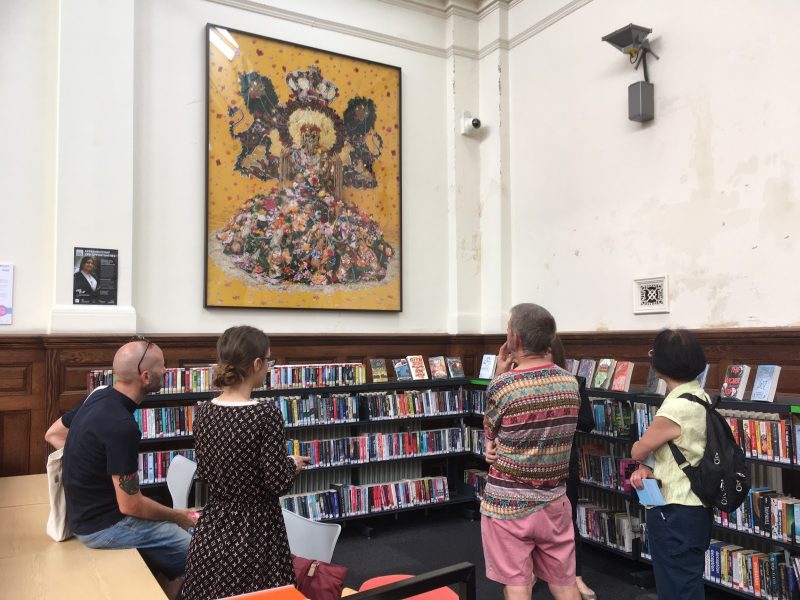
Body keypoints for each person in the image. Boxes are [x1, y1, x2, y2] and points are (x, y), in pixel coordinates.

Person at [44, 339, 194, 600]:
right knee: (202, 555)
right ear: (145, 376)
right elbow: (131, 507)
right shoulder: (121, 426)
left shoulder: (99, 396)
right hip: (104, 528)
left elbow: (53, 433)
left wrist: (88, 462)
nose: (167, 370)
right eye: (163, 366)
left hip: (84, 518)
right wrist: (177, 516)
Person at [179, 326, 310, 600]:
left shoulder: (205, 413)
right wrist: (292, 465)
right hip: (256, 532)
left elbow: (210, 470)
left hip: (213, 528)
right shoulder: (264, 415)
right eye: (269, 361)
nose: (269, 368)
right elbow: (277, 482)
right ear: (256, 364)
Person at [480, 303, 581, 600]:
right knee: (565, 583)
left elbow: (491, 431)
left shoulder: (504, 386)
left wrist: (499, 372)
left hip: (507, 503)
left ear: (516, 340)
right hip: (554, 501)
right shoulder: (569, 382)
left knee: (518, 583)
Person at [629, 329, 713, 600]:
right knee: (687, 580)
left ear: (662, 363)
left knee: (675, 585)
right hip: (696, 506)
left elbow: (637, 449)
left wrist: (642, 460)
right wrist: (649, 467)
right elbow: (675, 449)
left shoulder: (674, 408)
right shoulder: (700, 395)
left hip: (674, 509)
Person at [549, 336, 597, 600]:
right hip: (534, 465)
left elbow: (588, 423)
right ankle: (533, 572)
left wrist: (565, 408)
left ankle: (575, 575)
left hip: (566, 462)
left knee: (569, 520)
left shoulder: (575, 383)